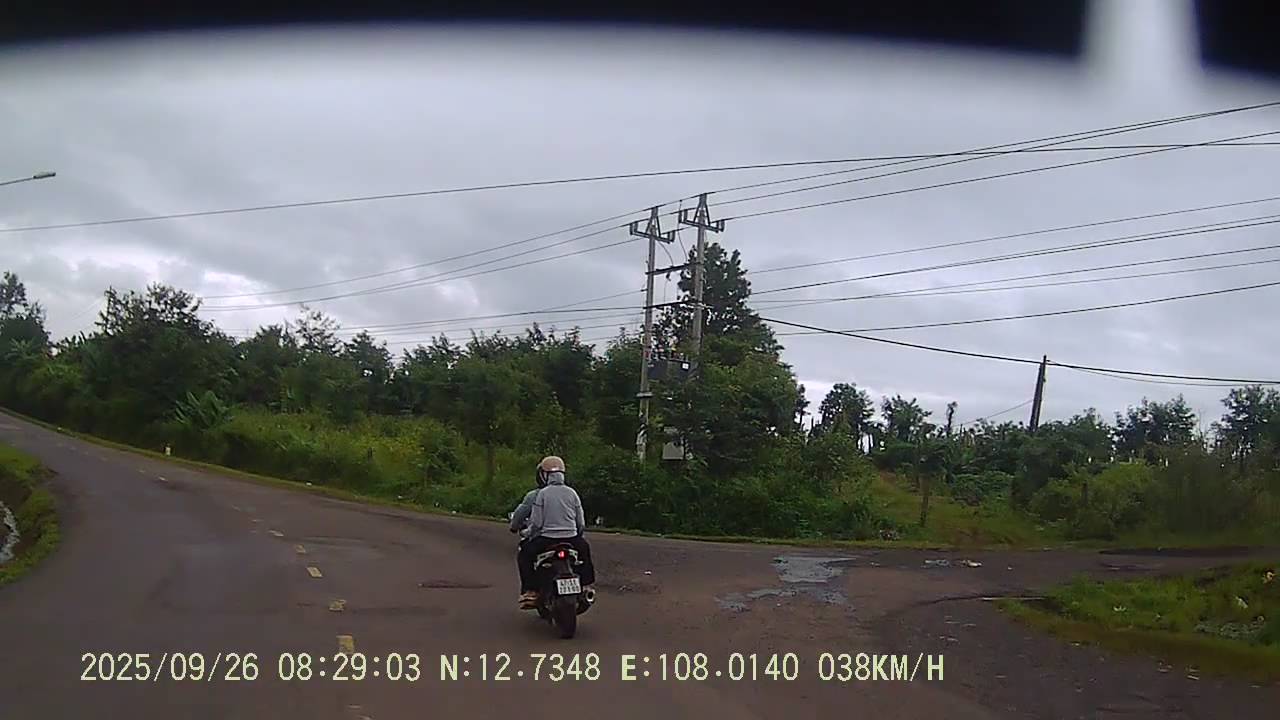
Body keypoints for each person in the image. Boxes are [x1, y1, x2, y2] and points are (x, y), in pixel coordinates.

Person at [513, 455, 595, 609]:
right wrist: (577, 535)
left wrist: (527, 534)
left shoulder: (542, 494)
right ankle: (586, 586)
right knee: (585, 551)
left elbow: (537, 524)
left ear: (544, 475)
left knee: (524, 555)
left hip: (547, 539)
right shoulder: (572, 493)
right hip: (571, 538)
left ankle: (531, 591)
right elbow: (581, 523)